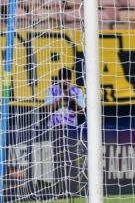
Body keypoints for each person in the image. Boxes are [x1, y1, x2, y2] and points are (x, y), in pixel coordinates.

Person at [43, 67, 85, 199]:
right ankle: (59, 191)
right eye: (63, 78)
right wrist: (61, 98)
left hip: (71, 128)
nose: (66, 81)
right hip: (56, 128)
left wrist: (72, 100)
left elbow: (81, 110)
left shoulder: (76, 91)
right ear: (59, 79)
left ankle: (72, 190)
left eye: (68, 78)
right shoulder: (52, 90)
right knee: (58, 159)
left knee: (71, 159)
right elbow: (48, 109)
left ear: (70, 79)